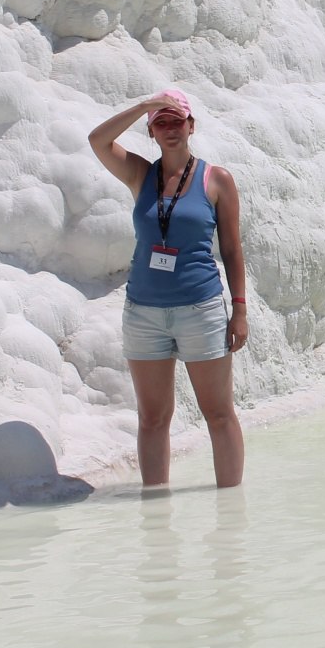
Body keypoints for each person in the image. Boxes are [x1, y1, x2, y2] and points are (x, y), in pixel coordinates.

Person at [88, 90, 248, 488]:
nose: (171, 129)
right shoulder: (141, 174)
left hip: (201, 310)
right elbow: (98, 141)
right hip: (144, 313)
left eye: (178, 120)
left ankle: (230, 513)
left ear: (192, 126)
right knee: (153, 418)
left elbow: (231, 247)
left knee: (219, 413)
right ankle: (156, 517)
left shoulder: (217, 180)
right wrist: (144, 105)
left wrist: (240, 310)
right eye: (162, 122)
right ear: (152, 131)